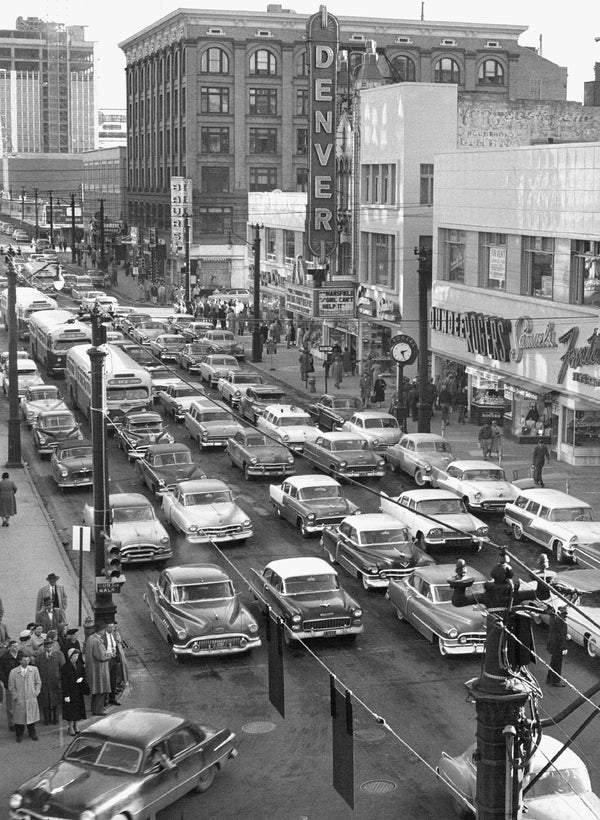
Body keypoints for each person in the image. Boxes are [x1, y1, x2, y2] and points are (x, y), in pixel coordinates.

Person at [8, 652, 41, 742]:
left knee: (31, 718)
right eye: (24, 659)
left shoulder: (34, 670)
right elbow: (11, 686)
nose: (27, 660)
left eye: (28, 658)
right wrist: (15, 696)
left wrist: (36, 692)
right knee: (19, 719)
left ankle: (32, 733)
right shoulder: (14, 672)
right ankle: (19, 735)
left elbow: (38, 682)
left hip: (31, 697)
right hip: (20, 699)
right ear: (20, 661)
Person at [35, 637, 64, 725]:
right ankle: (47, 720)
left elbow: (63, 669)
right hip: (44, 683)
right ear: (44, 647)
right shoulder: (39, 657)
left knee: (56, 702)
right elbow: (37, 670)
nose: (48, 648)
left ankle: (56, 719)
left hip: (55, 683)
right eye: (46, 647)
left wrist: (60, 681)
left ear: (53, 646)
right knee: (45, 702)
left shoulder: (59, 655)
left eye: (50, 646)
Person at [84, 623, 112, 716]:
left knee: (95, 691)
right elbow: (100, 656)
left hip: (92, 668)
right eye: (104, 630)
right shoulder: (97, 641)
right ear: (101, 630)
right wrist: (109, 655)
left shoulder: (91, 638)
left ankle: (95, 708)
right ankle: (98, 710)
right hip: (98, 669)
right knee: (100, 689)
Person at [61, 647, 88, 735]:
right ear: (70, 657)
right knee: (70, 711)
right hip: (70, 691)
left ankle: (76, 725)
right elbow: (64, 682)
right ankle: (70, 726)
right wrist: (66, 695)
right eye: (74, 656)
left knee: (77, 709)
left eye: (77, 656)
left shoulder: (79, 665)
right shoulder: (65, 667)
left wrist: (82, 678)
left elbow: (84, 674)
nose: (76, 658)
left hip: (78, 691)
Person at [546, 606, 569, 686]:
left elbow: (556, 631)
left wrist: (565, 635)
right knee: (557, 664)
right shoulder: (562, 621)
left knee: (553, 662)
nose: (567, 615)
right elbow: (561, 636)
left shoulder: (553, 618)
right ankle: (555, 681)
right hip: (558, 646)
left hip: (552, 643)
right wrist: (564, 648)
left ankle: (549, 679)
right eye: (565, 613)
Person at [0, 639, 20, 730]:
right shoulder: (4, 658)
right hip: (10, 684)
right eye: (14, 646)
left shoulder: (21, 655)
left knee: (20, 703)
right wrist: (6, 682)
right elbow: (1, 671)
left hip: (21, 684)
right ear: (10, 648)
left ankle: (20, 721)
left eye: (17, 646)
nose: (16, 648)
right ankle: (11, 723)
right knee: (10, 705)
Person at [102, 621, 123, 706]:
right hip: (107, 660)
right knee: (106, 680)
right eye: (110, 627)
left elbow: (116, 646)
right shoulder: (103, 637)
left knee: (113, 680)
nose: (112, 628)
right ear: (106, 628)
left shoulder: (113, 635)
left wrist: (116, 655)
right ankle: (105, 699)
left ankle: (112, 698)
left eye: (112, 627)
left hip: (114, 659)